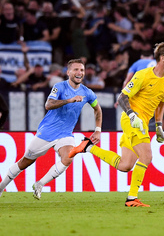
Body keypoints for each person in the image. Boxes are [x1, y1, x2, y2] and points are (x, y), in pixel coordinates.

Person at [69, 43, 164, 207]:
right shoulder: (143, 75)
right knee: (146, 156)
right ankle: (132, 198)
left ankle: (88, 147)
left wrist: (159, 126)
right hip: (131, 119)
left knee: (125, 165)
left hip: (143, 123)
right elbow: (122, 97)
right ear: (162, 58)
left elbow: (161, 103)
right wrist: (132, 115)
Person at [0, 59, 102, 199]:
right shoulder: (59, 87)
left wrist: (98, 130)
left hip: (65, 134)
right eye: (76, 70)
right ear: (68, 72)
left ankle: (40, 184)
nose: (80, 73)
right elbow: (48, 105)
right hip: (47, 132)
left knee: (68, 157)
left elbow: (97, 109)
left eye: (82, 70)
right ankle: (1, 186)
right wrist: (69, 100)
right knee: (25, 162)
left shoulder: (87, 93)